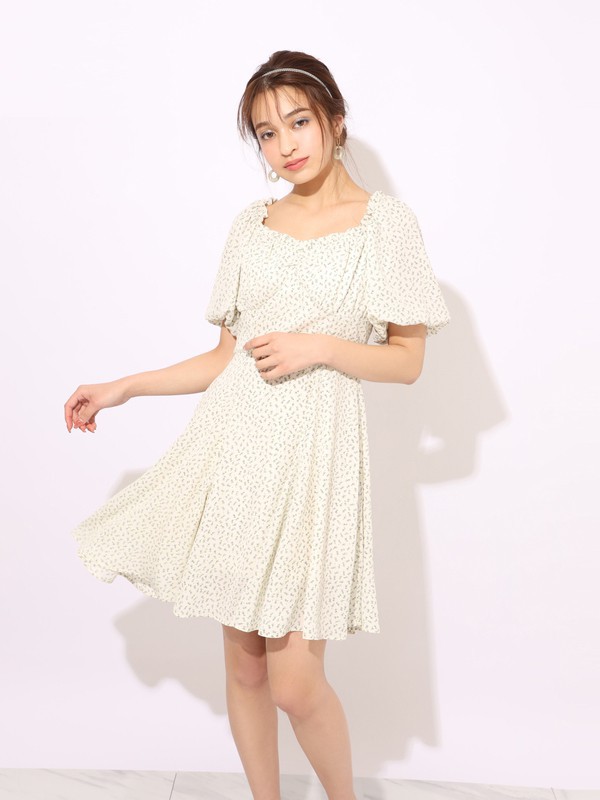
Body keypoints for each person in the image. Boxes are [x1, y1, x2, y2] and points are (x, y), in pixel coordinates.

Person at [64, 50, 450, 800]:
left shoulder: (385, 224)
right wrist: (124, 387)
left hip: (314, 464)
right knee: (245, 669)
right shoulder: (252, 225)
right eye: (267, 134)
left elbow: (407, 361)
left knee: (295, 685)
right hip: (235, 451)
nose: (286, 145)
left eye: (298, 122)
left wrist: (320, 347)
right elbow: (224, 359)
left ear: (335, 120)